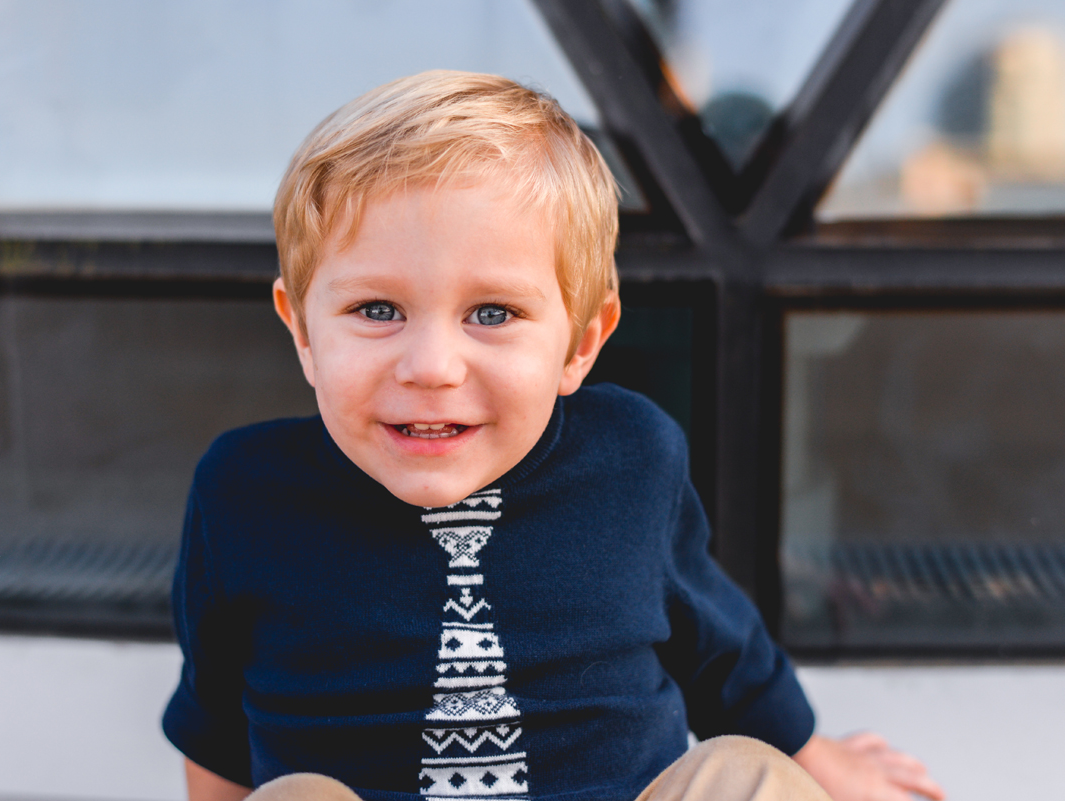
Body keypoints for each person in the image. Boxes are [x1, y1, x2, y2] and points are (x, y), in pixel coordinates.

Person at [162, 71, 944, 801]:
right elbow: (216, 725)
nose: (431, 366)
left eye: (492, 313)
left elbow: (722, 650)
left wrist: (821, 759)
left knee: (743, 776)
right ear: (301, 331)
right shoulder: (244, 493)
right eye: (377, 310)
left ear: (580, 342)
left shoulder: (630, 455)